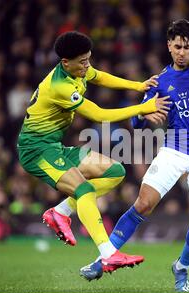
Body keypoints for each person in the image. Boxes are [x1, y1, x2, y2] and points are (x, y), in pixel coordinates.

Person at [78, 20, 189, 291]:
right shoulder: (160, 82)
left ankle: (182, 267)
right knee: (143, 204)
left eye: (187, 47)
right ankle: (103, 259)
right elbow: (136, 124)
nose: (182, 52)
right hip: (174, 149)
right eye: (177, 46)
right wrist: (144, 114)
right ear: (169, 46)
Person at [16, 31, 170, 273]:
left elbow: (100, 77)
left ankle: (61, 211)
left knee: (115, 171)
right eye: (82, 61)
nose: (87, 65)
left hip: (54, 146)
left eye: (88, 59)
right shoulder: (60, 86)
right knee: (84, 188)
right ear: (65, 62)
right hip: (36, 150)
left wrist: (137, 85)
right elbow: (99, 114)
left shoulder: (77, 69)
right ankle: (108, 254)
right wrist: (143, 107)